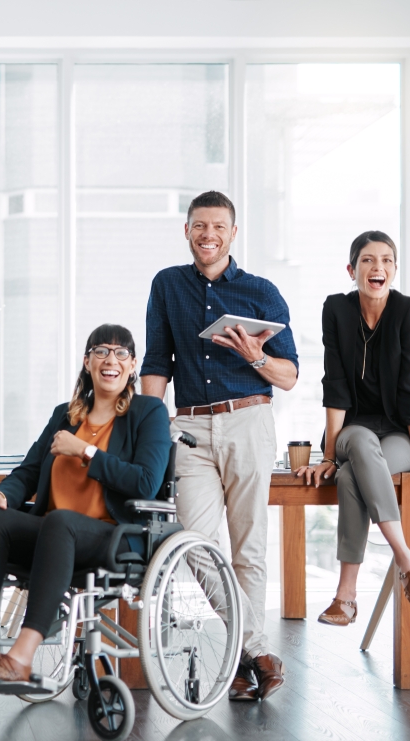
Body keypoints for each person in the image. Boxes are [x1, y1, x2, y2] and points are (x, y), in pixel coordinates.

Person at [0, 324, 171, 684]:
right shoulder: (66, 415)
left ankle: (20, 658)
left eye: (121, 353)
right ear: (87, 362)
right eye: (101, 351)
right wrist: (1, 496)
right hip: (54, 531)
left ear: (133, 365)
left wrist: (85, 451)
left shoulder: (147, 412)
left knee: (61, 521)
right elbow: (28, 471)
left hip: (113, 533)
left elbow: (146, 482)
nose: (111, 359)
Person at [140, 190, 298, 702]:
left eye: (218, 227)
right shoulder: (167, 285)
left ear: (233, 233)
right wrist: (152, 422)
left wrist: (256, 356)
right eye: (199, 225)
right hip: (190, 428)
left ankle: (238, 665)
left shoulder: (261, 291)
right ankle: (257, 651)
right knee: (197, 543)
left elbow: (290, 375)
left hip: (249, 419)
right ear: (186, 231)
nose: (208, 235)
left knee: (249, 548)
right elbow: (156, 362)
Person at [295, 231, 410, 627]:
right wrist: (329, 455)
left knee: (351, 476)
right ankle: (407, 560)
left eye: (386, 260)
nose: (377, 267)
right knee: (360, 446)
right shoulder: (336, 310)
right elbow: (334, 385)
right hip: (352, 429)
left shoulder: (408, 312)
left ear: (394, 270)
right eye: (367, 260)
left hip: (401, 431)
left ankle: (345, 597)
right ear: (352, 270)